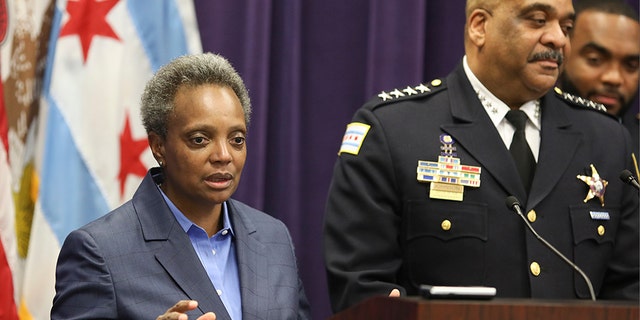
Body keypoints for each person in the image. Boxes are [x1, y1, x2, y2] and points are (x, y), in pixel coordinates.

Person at [323, 0, 639, 313]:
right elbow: (363, 288)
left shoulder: (608, 140)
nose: (558, 38)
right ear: (479, 26)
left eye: (566, 27)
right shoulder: (392, 131)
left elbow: (630, 287)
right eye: (538, 20)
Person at [51, 53, 311, 320]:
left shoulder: (274, 238)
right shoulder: (98, 252)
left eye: (237, 139)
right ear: (159, 146)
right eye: (200, 139)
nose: (224, 155)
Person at [559, 0, 640, 162]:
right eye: (595, 60)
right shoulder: (530, 134)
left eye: (631, 66)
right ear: (562, 52)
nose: (614, 78)